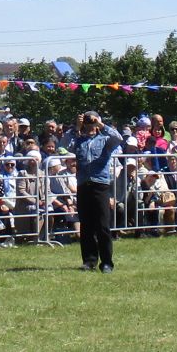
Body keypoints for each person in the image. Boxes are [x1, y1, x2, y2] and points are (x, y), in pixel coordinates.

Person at [63, 110, 125, 272]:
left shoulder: (105, 140)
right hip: (83, 185)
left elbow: (118, 138)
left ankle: (106, 263)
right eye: (87, 121)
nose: (89, 124)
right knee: (86, 225)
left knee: (103, 225)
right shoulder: (79, 140)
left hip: (100, 185)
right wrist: (76, 127)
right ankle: (89, 261)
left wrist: (101, 124)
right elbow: (62, 145)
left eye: (92, 121)